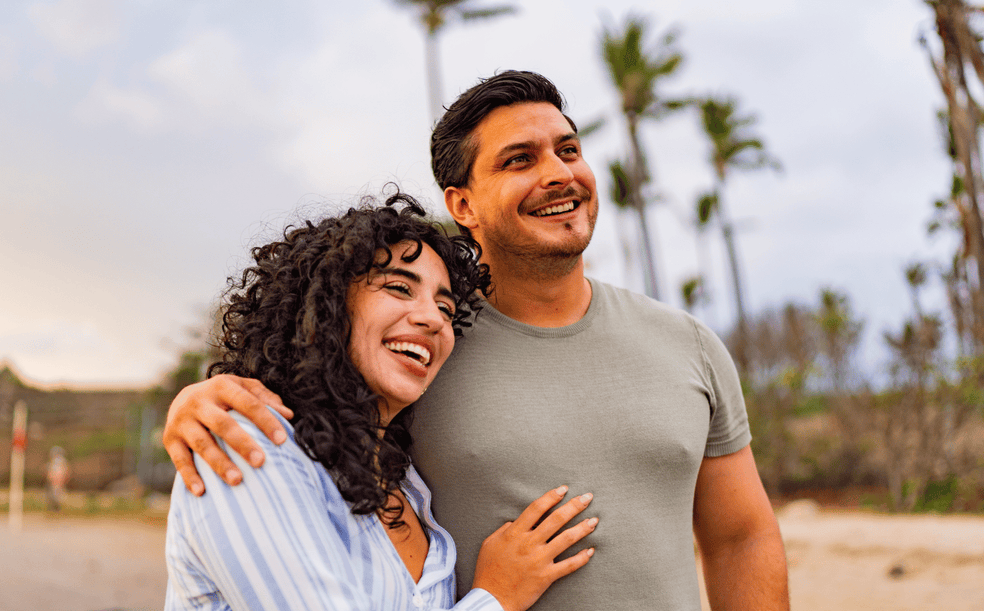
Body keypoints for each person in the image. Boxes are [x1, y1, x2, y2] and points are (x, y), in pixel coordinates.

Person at [163, 72, 789, 610]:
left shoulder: (689, 345)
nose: (558, 173)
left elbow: (741, 536)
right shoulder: (413, 361)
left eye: (568, 150)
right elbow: (298, 401)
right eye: (519, 160)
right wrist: (199, 400)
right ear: (461, 203)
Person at [164, 193, 598, 611]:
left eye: (446, 308)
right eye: (398, 287)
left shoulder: (408, 482)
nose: (432, 318)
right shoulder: (247, 442)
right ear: (327, 302)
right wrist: (495, 598)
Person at [46, 446, 70, 512]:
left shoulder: (61, 462)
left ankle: (57, 508)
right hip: (55, 480)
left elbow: (65, 471)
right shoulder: (53, 462)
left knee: (58, 495)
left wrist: (62, 478)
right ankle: (53, 508)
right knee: (52, 494)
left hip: (58, 480)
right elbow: (50, 471)